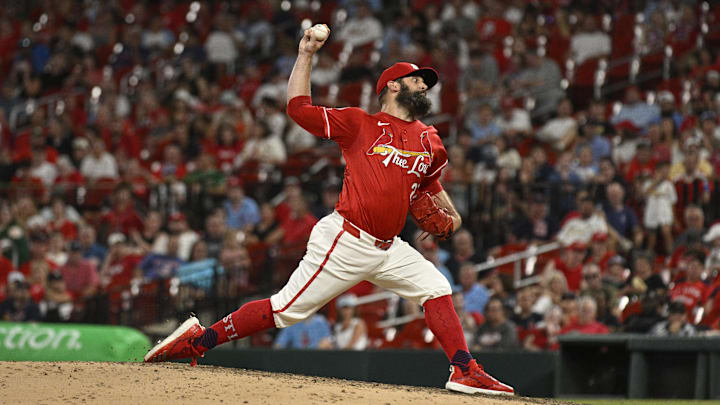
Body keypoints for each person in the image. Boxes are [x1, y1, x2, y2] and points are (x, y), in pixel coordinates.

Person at [145, 27, 514, 396]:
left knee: (436, 287)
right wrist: (306, 53)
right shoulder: (359, 123)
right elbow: (298, 109)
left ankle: (464, 369)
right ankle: (200, 340)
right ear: (393, 86)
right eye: (417, 80)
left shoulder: (429, 138)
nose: (424, 87)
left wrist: (454, 217)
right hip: (346, 240)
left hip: (390, 248)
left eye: (425, 83)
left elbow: (431, 184)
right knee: (286, 309)